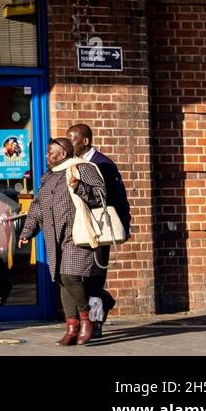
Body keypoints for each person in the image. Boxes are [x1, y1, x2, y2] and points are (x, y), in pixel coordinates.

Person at [17, 136, 106, 346]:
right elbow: (37, 207)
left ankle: (87, 319)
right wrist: (26, 232)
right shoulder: (48, 176)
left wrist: (80, 187)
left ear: (63, 154)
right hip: (55, 237)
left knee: (69, 276)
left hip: (77, 234)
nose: (47, 156)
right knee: (61, 278)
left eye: (50, 153)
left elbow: (101, 196)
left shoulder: (83, 169)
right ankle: (72, 327)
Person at [67, 123, 130, 337]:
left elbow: (118, 198)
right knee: (80, 277)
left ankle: (95, 324)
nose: (69, 144)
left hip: (99, 229)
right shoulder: (73, 164)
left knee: (95, 278)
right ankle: (105, 302)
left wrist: (124, 226)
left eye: (72, 139)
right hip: (80, 229)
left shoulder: (103, 164)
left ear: (85, 141)